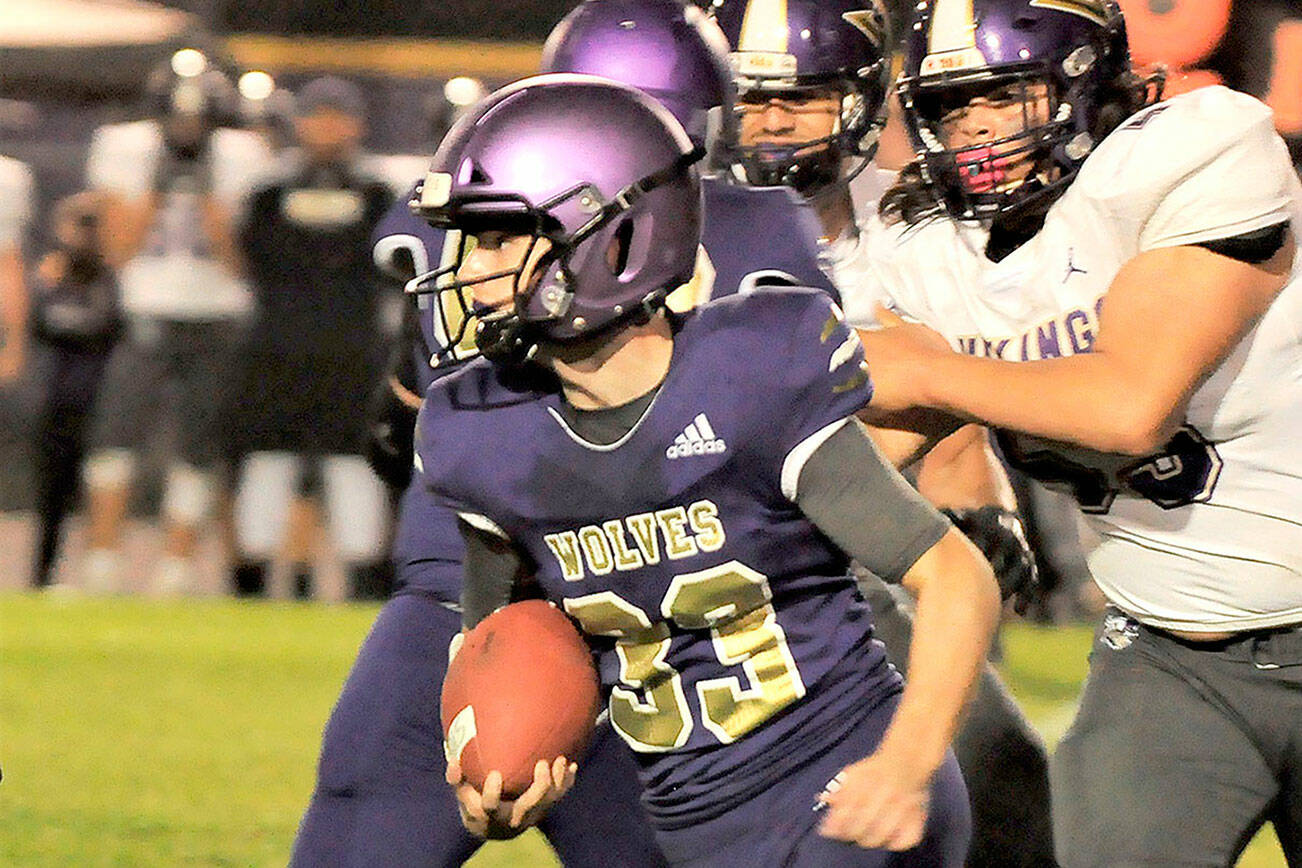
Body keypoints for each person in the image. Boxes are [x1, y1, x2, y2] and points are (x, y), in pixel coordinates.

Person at [413, 73, 999, 866]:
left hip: (844, 784)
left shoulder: (748, 372)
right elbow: (501, 648)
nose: (474, 272)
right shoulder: (484, 434)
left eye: (497, 238)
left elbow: (954, 577)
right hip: (696, 828)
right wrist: (503, 783)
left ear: (608, 238)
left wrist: (906, 763)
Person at [849, 0, 1302, 863]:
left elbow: (1129, 406)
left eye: (1005, 95)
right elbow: (866, 452)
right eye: (951, 106)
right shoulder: (929, 244)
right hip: (1169, 655)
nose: (975, 129)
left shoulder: (1196, 151)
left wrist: (930, 370)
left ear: (1086, 83)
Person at [710, 0, 1055, 861]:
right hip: (725, 571)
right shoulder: (683, 237)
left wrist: (987, 506)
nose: (773, 122)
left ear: (862, 101)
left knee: (996, 779)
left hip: (872, 561)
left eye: (801, 98)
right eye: (753, 100)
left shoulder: (910, 233)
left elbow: (951, 401)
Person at [81, 49, 272, 594]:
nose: (185, 129)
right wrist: (162, 184)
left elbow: (240, 261)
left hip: (218, 317)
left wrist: (206, 189)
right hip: (145, 310)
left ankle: (177, 565)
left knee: (198, 447)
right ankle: (100, 558)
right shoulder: (126, 147)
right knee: (114, 440)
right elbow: (118, 249)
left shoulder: (242, 155)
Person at [229, 76, 394, 601]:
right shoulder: (267, 192)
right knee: (268, 460)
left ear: (358, 124)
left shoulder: (378, 193)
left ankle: (359, 580)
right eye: (317, 115)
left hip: (353, 351)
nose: (327, 127)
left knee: (353, 463)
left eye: (338, 115)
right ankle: (254, 579)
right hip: (277, 348)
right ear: (298, 122)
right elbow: (251, 263)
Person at [27, 193, 123, 587]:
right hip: (55, 400)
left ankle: (101, 571)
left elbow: (102, 328)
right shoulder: (48, 276)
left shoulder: (113, 277)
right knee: (52, 494)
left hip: (106, 401)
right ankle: (43, 576)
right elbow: (42, 325)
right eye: (77, 224)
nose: (84, 235)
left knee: (107, 484)